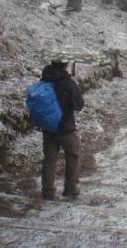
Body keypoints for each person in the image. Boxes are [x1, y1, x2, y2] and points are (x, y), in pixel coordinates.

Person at [40, 59, 84, 200]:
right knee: (73, 156)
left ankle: (47, 192)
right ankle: (70, 189)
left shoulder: (44, 79)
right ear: (65, 65)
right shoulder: (68, 83)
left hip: (48, 128)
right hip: (66, 128)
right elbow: (79, 105)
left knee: (49, 160)